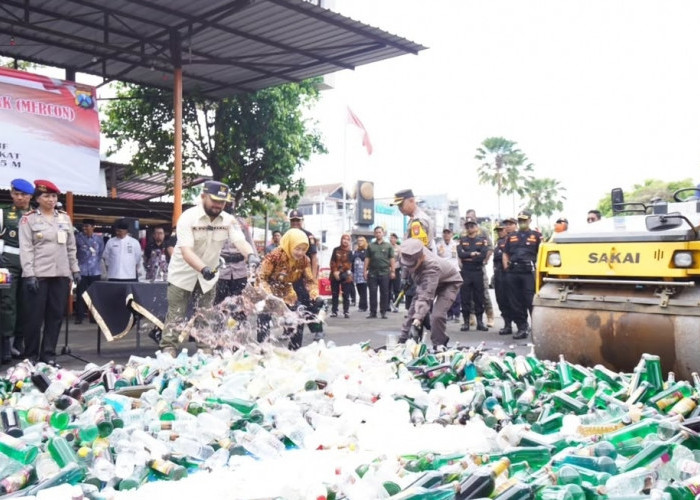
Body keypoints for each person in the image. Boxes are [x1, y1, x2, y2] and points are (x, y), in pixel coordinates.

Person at [159, 181, 256, 357]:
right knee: (176, 314)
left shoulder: (228, 220)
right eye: (215, 201)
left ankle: (205, 350)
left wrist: (251, 256)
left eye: (223, 202)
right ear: (203, 196)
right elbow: (186, 251)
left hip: (209, 276)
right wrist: (203, 268)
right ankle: (169, 350)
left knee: (206, 314)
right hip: (182, 274)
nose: (219, 205)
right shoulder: (188, 218)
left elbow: (240, 241)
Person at [19, 180, 81, 365]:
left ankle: (48, 355)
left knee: (54, 317)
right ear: (37, 198)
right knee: (33, 319)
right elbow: (26, 248)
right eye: (46, 196)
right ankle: (30, 356)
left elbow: (71, 247)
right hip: (38, 275)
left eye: (54, 196)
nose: (51, 199)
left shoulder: (64, 218)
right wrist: (29, 274)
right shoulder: (28, 219)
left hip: (61, 275)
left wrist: (75, 269)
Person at [256, 228, 322, 350]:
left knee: (299, 316)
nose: (300, 253)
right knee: (264, 320)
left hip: (286, 290)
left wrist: (315, 295)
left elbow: (310, 280)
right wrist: (270, 296)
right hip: (267, 289)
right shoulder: (274, 256)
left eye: (303, 249)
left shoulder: (304, 260)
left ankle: (294, 351)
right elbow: (261, 278)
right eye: (297, 248)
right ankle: (263, 351)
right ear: (289, 245)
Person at [398, 239, 462, 349]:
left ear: (421, 258)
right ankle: (403, 342)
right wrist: (404, 278)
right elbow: (405, 265)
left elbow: (426, 296)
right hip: (426, 282)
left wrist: (417, 321)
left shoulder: (431, 267)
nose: (411, 267)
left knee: (437, 316)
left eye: (413, 264)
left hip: (448, 283)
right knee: (412, 312)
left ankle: (439, 345)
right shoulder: (409, 252)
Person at [0, 178, 34, 363]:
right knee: (6, 303)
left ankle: (18, 343)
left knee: (25, 304)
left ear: (30, 196)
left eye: (23, 194)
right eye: (16, 194)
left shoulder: (36, 215)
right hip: (5, 265)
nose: (19, 197)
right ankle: (5, 345)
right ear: (11, 194)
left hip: (29, 266)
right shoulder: (3, 213)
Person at [391, 189, 434, 314]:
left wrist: (408, 274)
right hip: (419, 269)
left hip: (419, 269)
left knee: (418, 310)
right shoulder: (414, 219)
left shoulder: (418, 221)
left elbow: (416, 252)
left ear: (411, 201)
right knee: (418, 309)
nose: (399, 208)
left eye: (401, 204)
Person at [503, 209, 542, 340]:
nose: (522, 223)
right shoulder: (511, 236)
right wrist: (506, 267)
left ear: (530, 220)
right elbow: (505, 253)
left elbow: (541, 254)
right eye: (520, 221)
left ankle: (536, 328)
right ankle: (522, 327)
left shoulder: (536, 236)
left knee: (530, 301)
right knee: (515, 302)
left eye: (524, 220)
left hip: (528, 272)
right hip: (513, 271)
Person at [288, 209, 323, 340]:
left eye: (298, 220)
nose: (295, 223)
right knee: (293, 306)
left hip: (304, 276)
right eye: (293, 221)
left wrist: (313, 279)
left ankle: (317, 329)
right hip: (290, 277)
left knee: (308, 305)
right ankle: (292, 334)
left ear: (302, 221)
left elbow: (314, 258)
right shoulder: (287, 236)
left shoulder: (308, 236)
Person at [215, 213, 258, 304]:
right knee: (219, 304)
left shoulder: (241, 222)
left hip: (240, 270)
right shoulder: (214, 222)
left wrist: (254, 258)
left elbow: (249, 241)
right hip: (221, 270)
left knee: (240, 304)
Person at [464, 208, 495, 328]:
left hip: (479, 267)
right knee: (468, 293)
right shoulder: (464, 233)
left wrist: (485, 260)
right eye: (467, 218)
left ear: (475, 218)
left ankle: (490, 316)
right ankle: (471, 316)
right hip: (467, 267)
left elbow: (490, 248)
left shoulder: (483, 231)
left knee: (484, 292)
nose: (469, 221)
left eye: (471, 218)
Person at [457, 216, 489, 332]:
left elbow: (482, 256)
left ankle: (480, 322)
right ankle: (466, 322)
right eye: (468, 226)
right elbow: (461, 254)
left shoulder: (482, 240)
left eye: (472, 226)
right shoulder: (462, 240)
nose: (470, 228)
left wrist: (469, 255)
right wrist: (472, 254)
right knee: (465, 297)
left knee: (479, 297)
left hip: (477, 270)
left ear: (476, 227)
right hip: (466, 271)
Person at [74, 218, 104, 325]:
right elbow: (75, 252)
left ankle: (94, 317)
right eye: (84, 226)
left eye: (87, 226)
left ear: (93, 227)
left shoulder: (99, 239)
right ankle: (79, 316)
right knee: (80, 294)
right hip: (82, 271)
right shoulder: (78, 238)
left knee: (94, 295)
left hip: (95, 271)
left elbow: (100, 253)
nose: (84, 228)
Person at [363, 225, 395, 319]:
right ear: (374, 234)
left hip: (385, 272)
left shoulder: (388, 246)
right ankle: (373, 312)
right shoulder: (370, 246)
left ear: (383, 233)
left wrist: (393, 271)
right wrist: (364, 271)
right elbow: (367, 259)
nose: (378, 234)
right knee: (372, 293)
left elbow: (392, 259)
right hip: (372, 273)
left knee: (384, 293)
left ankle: (383, 312)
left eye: (380, 232)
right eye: (376, 232)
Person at [493, 218, 516, 335]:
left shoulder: (512, 240)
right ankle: (507, 324)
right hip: (499, 275)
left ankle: (522, 325)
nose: (500, 232)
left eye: (501, 230)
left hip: (509, 273)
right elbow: (496, 257)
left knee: (513, 300)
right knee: (501, 300)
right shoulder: (499, 242)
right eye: (498, 231)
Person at [435, 227, 461, 322]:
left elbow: (459, 258)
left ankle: (457, 313)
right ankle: (449, 313)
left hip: (455, 271)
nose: (446, 235)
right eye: (445, 233)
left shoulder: (456, 245)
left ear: (452, 234)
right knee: (445, 293)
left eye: (448, 233)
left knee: (456, 293)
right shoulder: (438, 245)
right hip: (443, 271)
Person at [329, 234, 354, 318]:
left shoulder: (350, 252)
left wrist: (339, 272)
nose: (345, 241)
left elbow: (348, 264)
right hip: (334, 274)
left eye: (347, 239)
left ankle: (346, 311)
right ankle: (334, 311)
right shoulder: (335, 250)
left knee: (346, 294)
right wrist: (335, 271)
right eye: (344, 239)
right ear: (341, 239)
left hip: (345, 275)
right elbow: (332, 261)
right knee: (334, 294)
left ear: (349, 241)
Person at [352, 236, 368, 312]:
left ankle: (363, 306)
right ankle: (362, 305)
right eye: (358, 240)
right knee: (359, 289)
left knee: (363, 290)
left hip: (364, 272)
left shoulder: (367, 251)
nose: (360, 242)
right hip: (356, 273)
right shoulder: (356, 251)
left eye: (361, 240)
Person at [388, 232, 402, 311]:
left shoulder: (399, 248)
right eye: (391, 238)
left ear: (396, 239)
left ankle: (396, 305)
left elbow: (400, 260)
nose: (392, 239)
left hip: (396, 269)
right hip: (387, 269)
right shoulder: (387, 247)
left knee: (397, 288)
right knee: (387, 288)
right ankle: (387, 305)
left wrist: (395, 267)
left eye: (393, 238)